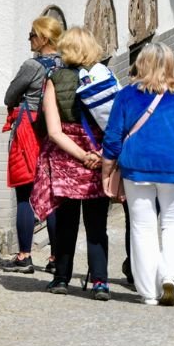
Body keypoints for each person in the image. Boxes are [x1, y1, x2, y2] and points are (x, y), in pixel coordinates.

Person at [100, 43, 174, 307]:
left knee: (142, 227)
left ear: (141, 63)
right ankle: (170, 276)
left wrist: (106, 173)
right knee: (173, 225)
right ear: (171, 65)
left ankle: (149, 291)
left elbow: (113, 138)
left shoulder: (126, 96)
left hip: (137, 169)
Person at [33, 26, 111, 298]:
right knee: (97, 224)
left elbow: (54, 131)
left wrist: (79, 156)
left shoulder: (54, 78)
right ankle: (100, 281)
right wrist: (98, 156)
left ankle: (61, 278)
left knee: (67, 222)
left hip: (67, 158)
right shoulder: (103, 76)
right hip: (100, 155)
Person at [1, 15, 64, 274]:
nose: (30, 39)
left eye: (32, 35)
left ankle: (25, 256)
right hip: (57, 134)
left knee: (25, 194)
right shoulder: (66, 64)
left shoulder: (32, 66)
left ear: (44, 39)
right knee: (52, 196)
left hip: (30, 134)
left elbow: (10, 95)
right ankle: (55, 258)